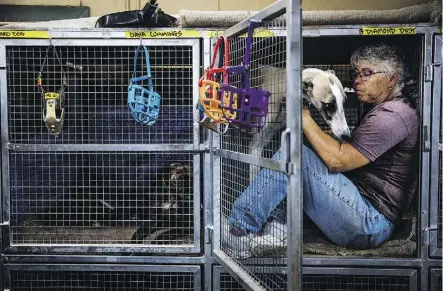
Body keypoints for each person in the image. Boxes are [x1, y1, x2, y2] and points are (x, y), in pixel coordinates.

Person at [227, 43, 420, 250]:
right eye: (356, 74)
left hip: (369, 222)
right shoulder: (386, 109)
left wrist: (300, 112)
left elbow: (338, 161)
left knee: (296, 153)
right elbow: (354, 152)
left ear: (392, 79)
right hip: (359, 207)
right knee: (300, 144)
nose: (358, 81)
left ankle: (239, 230)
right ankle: (278, 227)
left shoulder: (393, 115)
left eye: (367, 73)